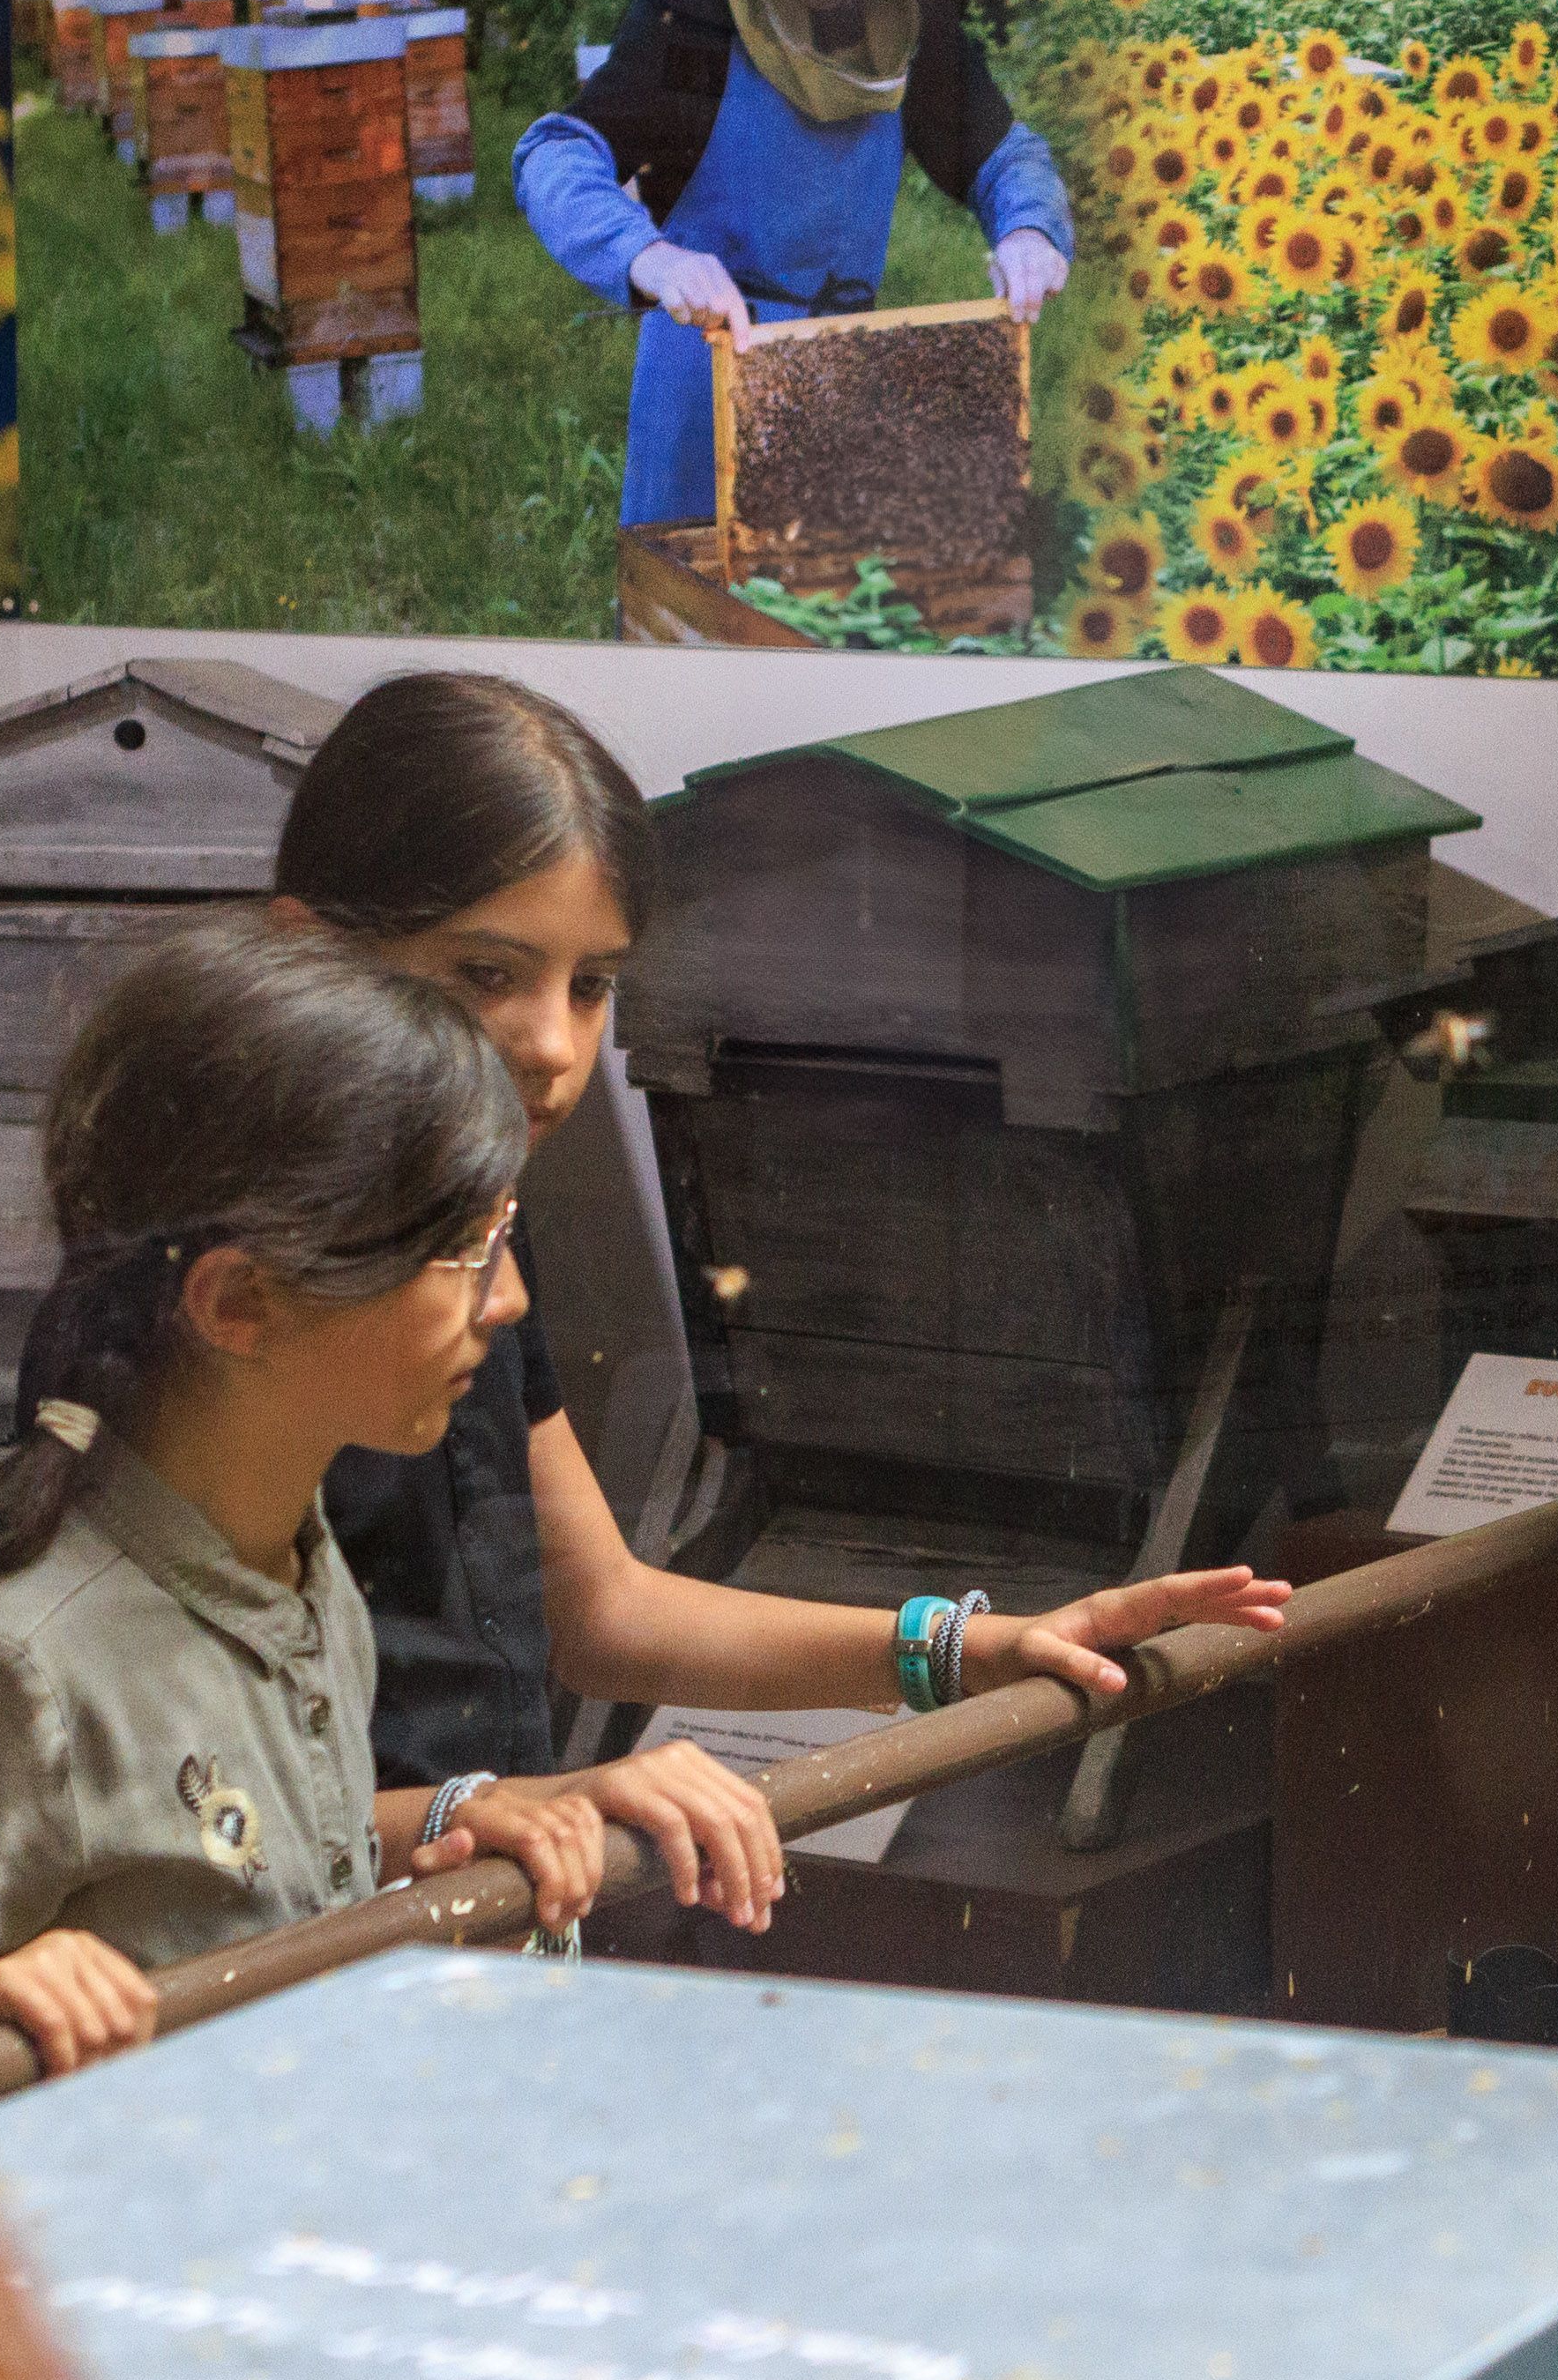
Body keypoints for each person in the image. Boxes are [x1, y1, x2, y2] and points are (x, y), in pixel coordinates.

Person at [275, 665, 1283, 1917]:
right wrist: (471, 1812)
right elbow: (166, 1816)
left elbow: (597, 1607)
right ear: (309, 950)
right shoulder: (233, 1300)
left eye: (592, 986)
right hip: (292, 1979)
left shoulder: (478, 1240)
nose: (553, 1045)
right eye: (488, 975)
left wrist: (972, 1648)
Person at [0, 913, 624, 2085]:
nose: (501, 1303)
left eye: (500, 1237)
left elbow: (241, 1885)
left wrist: (432, 1843)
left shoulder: (297, 1566)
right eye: (459, 1249)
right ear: (241, 1303)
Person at [513, 0, 1073, 530]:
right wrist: (651, 258)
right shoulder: (697, 3)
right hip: (702, 375)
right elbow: (555, 150)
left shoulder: (902, 18)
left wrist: (1030, 230)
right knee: (688, 627)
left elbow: (1003, 153)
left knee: (823, 620)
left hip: (847, 374)